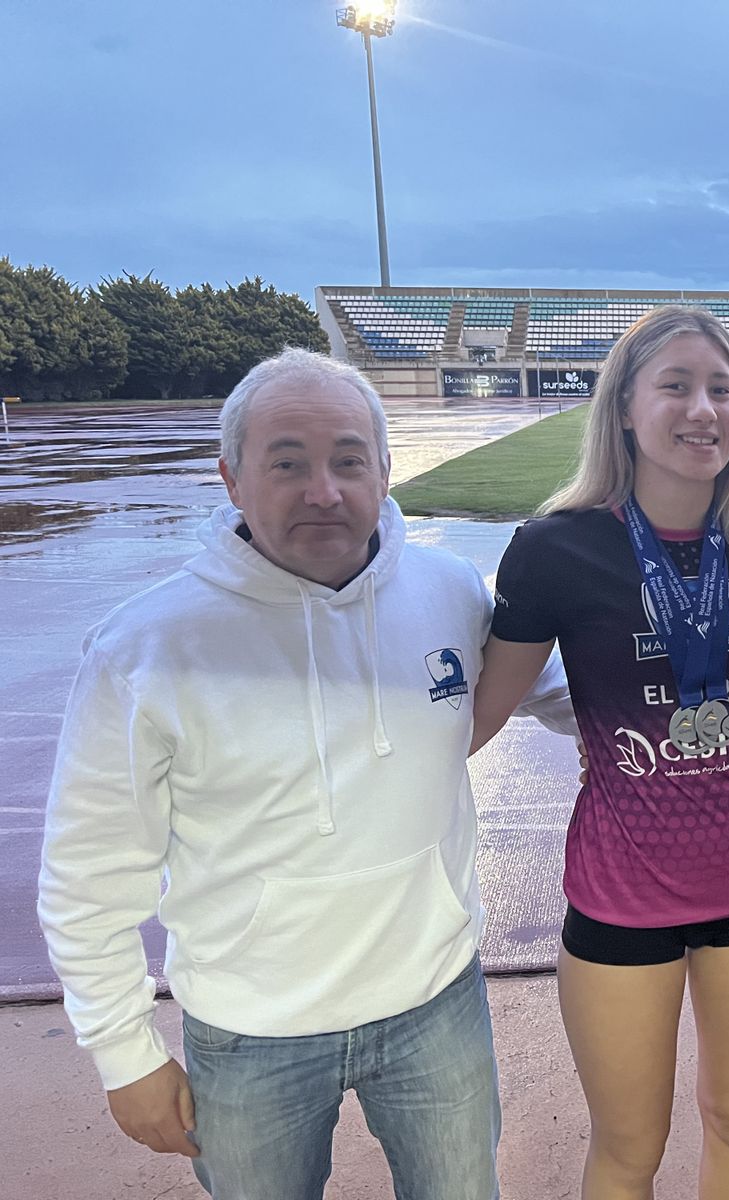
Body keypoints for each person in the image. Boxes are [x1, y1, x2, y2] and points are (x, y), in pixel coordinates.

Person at [37, 347, 568, 1199]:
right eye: (287, 463)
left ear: (386, 469)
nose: (324, 490)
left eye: (349, 461)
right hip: (250, 1030)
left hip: (435, 1002)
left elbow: (557, 689)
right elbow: (88, 872)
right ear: (232, 477)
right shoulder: (146, 648)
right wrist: (123, 1052)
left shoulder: (448, 589)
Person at [472, 306, 729, 1200]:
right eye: (675, 385)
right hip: (620, 895)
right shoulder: (555, 550)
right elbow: (474, 719)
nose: (703, 408)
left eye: (723, 389)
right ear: (624, 407)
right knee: (630, 1146)